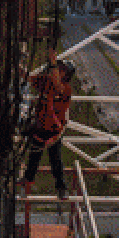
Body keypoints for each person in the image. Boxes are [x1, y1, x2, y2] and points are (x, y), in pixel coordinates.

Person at [20, 49, 75, 201]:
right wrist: (16, 67)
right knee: (33, 159)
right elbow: (29, 78)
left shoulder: (65, 89)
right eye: (58, 68)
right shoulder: (46, 82)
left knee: (56, 161)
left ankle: (61, 188)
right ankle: (26, 184)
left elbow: (57, 86)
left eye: (62, 70)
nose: (58, 71)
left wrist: (52, 63)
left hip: (53, 132)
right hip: (39, 128)